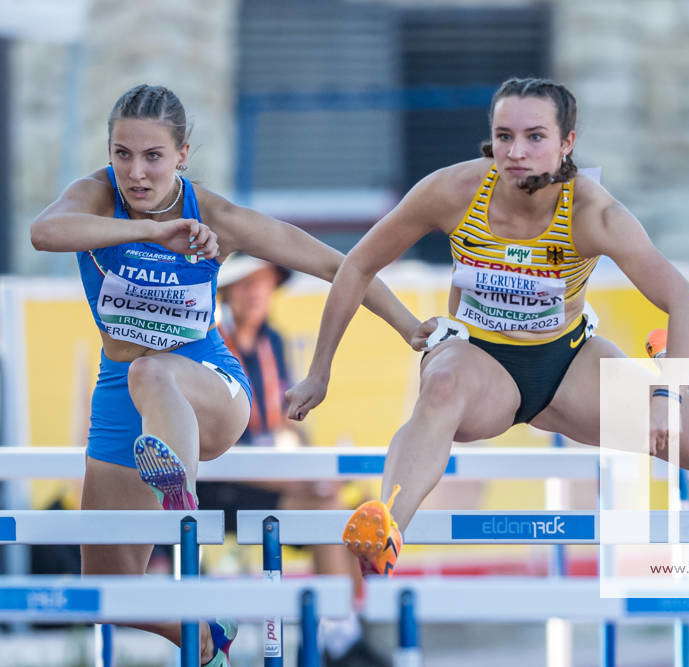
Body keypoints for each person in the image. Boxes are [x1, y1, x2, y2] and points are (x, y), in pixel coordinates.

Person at [285, 77, 689, 576]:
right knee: (440, 387)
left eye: (535, 137)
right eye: (504, 136)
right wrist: (320, 371)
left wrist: (667, 397)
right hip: (478, 360)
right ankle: (387, 525)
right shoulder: (453, 191)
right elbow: (357, 265)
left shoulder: (595, 213)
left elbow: (688, 306)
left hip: (569, 364)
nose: (516, 152)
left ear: (567, 143)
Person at [30, 84, 422, 665]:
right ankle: (209, 635)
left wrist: (411, 329)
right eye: (123, 154)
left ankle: (181, 499)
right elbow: (45, 233)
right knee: (105, 594)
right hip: (123, 400)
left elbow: (339, 264)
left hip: (210, 386)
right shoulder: (94, 195)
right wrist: (149, 231)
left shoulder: (213, 214)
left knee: (153, 371)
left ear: (183, 154)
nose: (136, 173)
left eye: (154, 157)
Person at [198, 254, 388, 666]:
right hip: (218, 484)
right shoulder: (208, 343)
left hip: (270, 477)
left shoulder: (274, 341)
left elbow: (287, 422)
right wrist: (299, 480)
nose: (256, 294)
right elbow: (219, 447)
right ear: (226, 291)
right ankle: (337, 639)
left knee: (353, 511)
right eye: (246, 284)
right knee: (325, 510)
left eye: (262, 284)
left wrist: (310, 464)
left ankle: (337, 633)